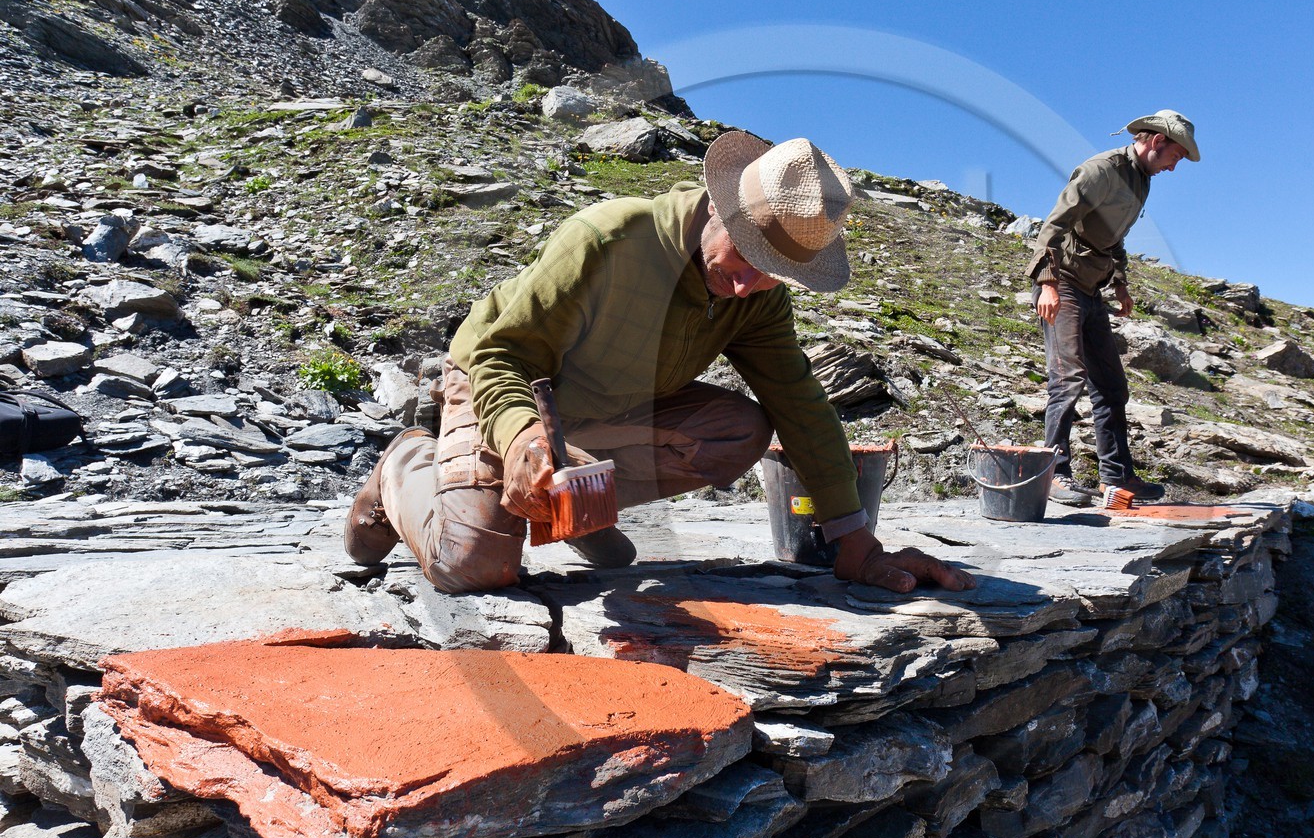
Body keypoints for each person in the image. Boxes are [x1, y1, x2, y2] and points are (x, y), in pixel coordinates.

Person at [345, 131, 975, 596]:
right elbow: (504, 353)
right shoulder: (609, 241)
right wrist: (523, 440)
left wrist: (854, 538)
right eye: (746, 254)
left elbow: (798, 402)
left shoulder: (756, 298)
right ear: (720, 208)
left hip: (606, 409)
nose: (745, 285)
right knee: (474, 567)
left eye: (773, 273)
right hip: (499, 382)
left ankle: (571, 502)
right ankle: (406, 466)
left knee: (742, 429)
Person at [1027, 109, 1200, 506]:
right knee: (1067, 378)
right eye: (1176, 156)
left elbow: (1114, 238)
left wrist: (1120, 285)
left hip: (1091, 290)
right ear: (1157, 141)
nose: (1174, 168)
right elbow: (1054, 226)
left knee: (1111, 386)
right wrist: (1047, 283)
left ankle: (1117, 478)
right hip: (1064, 284)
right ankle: (1053, 472)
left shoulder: (1141, 180)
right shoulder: (1100, 170)